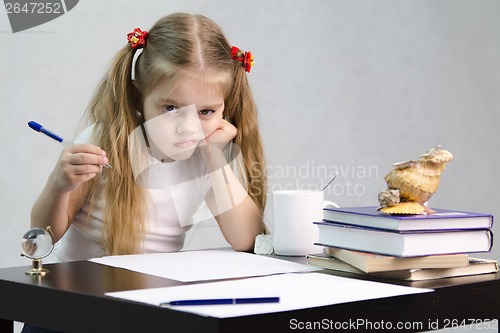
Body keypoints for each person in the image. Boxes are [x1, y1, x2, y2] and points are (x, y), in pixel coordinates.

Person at [23, 12, 267, 333]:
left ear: (225, 107)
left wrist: (213, 157)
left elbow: (249, 240)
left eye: (206, 112)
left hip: (144, 309)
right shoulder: (100, 142)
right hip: (71, 311)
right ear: (139, 96)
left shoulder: (204, 156)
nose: (189, 127)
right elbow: (44, 232)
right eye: (170, 108)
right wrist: (59, 183)